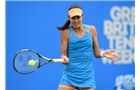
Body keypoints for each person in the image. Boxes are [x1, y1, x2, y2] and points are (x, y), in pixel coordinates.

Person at [57, 4, 120, 90]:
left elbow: (97, 53)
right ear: (69, 18)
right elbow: (63, 55)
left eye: (78, 17)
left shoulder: (92, 30)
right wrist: (64, 59)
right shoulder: (65, 32)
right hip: (69, 76)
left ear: (82, 16)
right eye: (73, 18)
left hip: (87, 77)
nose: (76, 20)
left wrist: (103, 53)